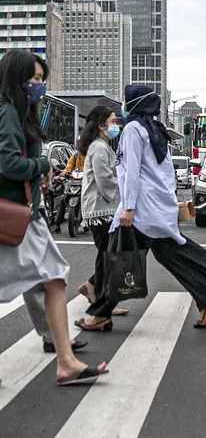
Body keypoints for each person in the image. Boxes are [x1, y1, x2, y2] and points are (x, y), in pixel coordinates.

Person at [76, 85, 206, 329]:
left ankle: (102, 313)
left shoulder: (134, 130)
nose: (123, 106)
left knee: (118, 258)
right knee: (170, 253)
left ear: (136, 103)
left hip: (140, 211)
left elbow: (132, 172)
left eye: (126, 100)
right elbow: (163, 174)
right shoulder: (155, 130)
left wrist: (129, 208)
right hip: (154, 209)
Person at [0, 49, 107, 385]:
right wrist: (42, 166)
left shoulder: (17, 113)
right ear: (16, 81)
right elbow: (7, 164)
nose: (40, 86)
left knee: (55, 279)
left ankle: (65, 360)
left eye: (42, 79)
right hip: (16, 215)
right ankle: (65, 360)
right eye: (34, 79)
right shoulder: (7, 115)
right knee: (54, 279)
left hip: (24, 214)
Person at [76, 105, 128, 328]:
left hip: (103, 208)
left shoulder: (103, 146)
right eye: (113, 121)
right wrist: (126, 191)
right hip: (101, 209)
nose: (116, 125)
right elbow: (105, 179)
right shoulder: (98, 148)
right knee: (109, 255)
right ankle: (102, 299)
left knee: (106, 254)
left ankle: (95, 291)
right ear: (101, 126)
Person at [54, 151, 86, 234]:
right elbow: (68, 168)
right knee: (63, 199)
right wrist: (63, 173)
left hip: (86, 183)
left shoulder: (91, 155)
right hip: (73, 182)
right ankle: (57, 224)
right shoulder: (75, 156)